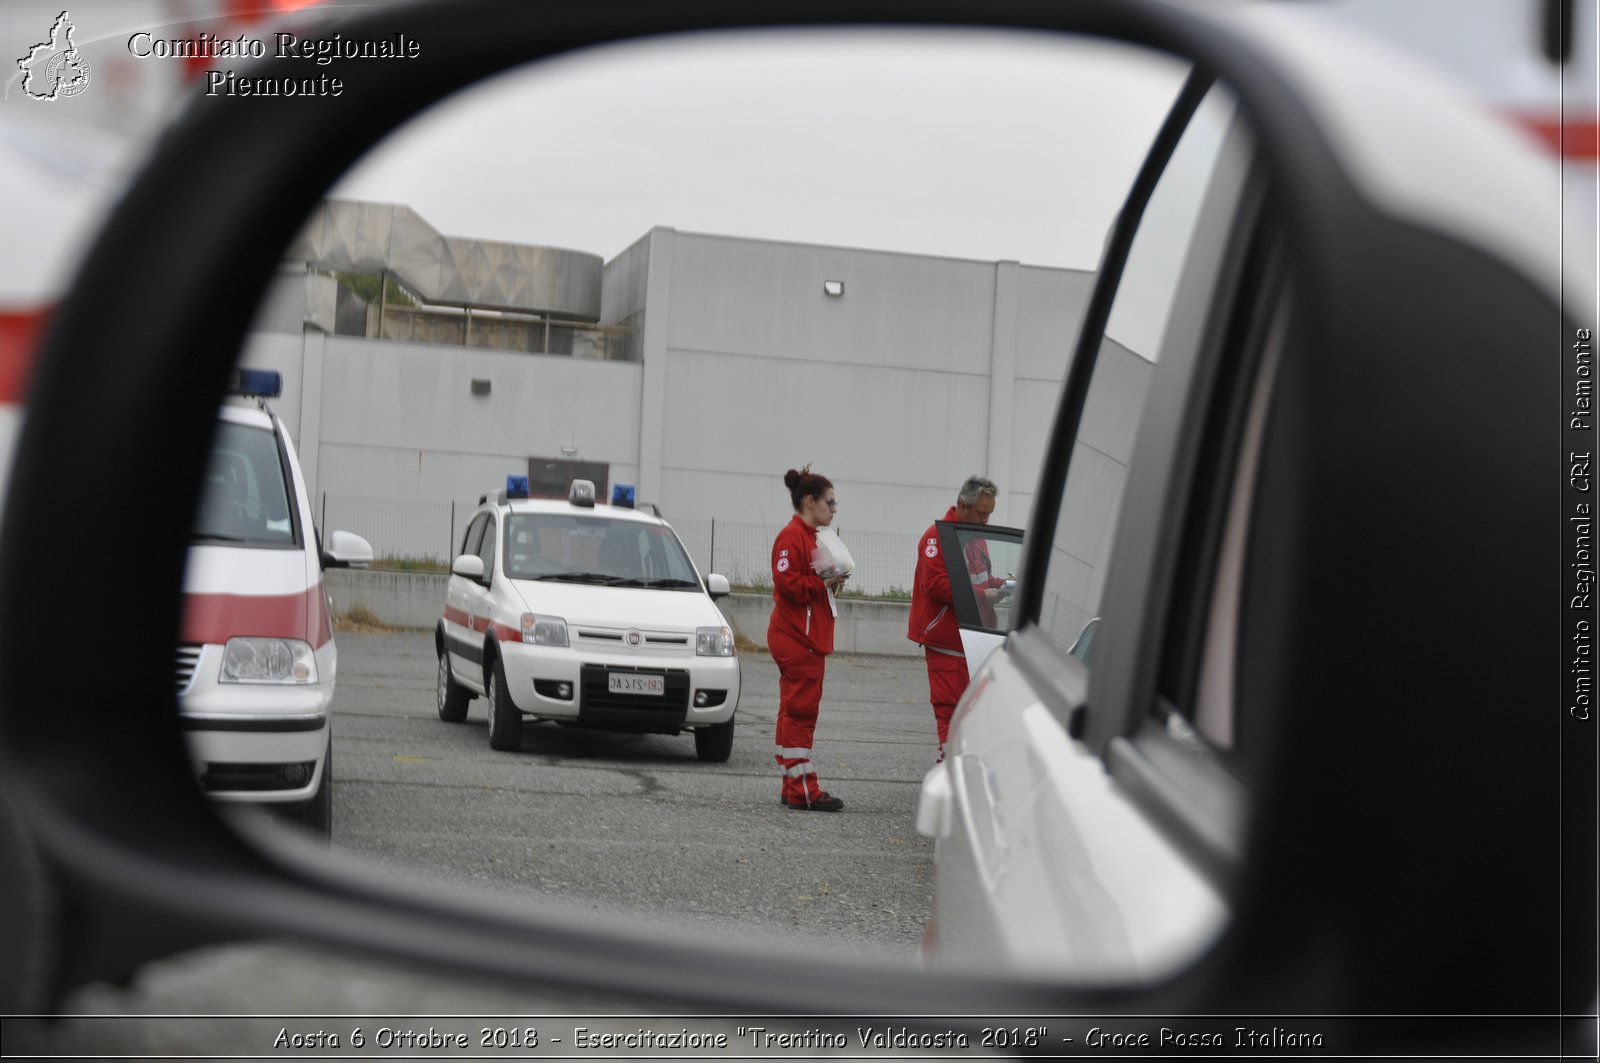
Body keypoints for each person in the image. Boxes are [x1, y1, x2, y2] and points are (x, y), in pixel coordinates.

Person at [908, 475, 1006, 763]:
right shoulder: (937, 537)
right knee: (950, 705)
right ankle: (950, 764)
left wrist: (1003, 585)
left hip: (972, 637)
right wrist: (982, 594)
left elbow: (982, 579)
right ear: (963, 506)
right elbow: (935, 584)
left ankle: (958, 762)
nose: (986, 520)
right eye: (982, 513)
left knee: (971, 705)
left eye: (989, 514)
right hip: (946, 638)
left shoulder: (973, 536)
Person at [768, 465, 848, 812]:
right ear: (810, 501)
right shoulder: (792, 537)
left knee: (793, 711)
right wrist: (823, 584)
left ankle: (791, 781)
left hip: (803, 637)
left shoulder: (810, 537)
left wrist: (830, 580)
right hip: (797, 638)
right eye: (830, 502)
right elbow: (788, 584)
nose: (833, 509)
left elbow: (808, 581)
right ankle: (803, 788)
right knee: (801, 712)